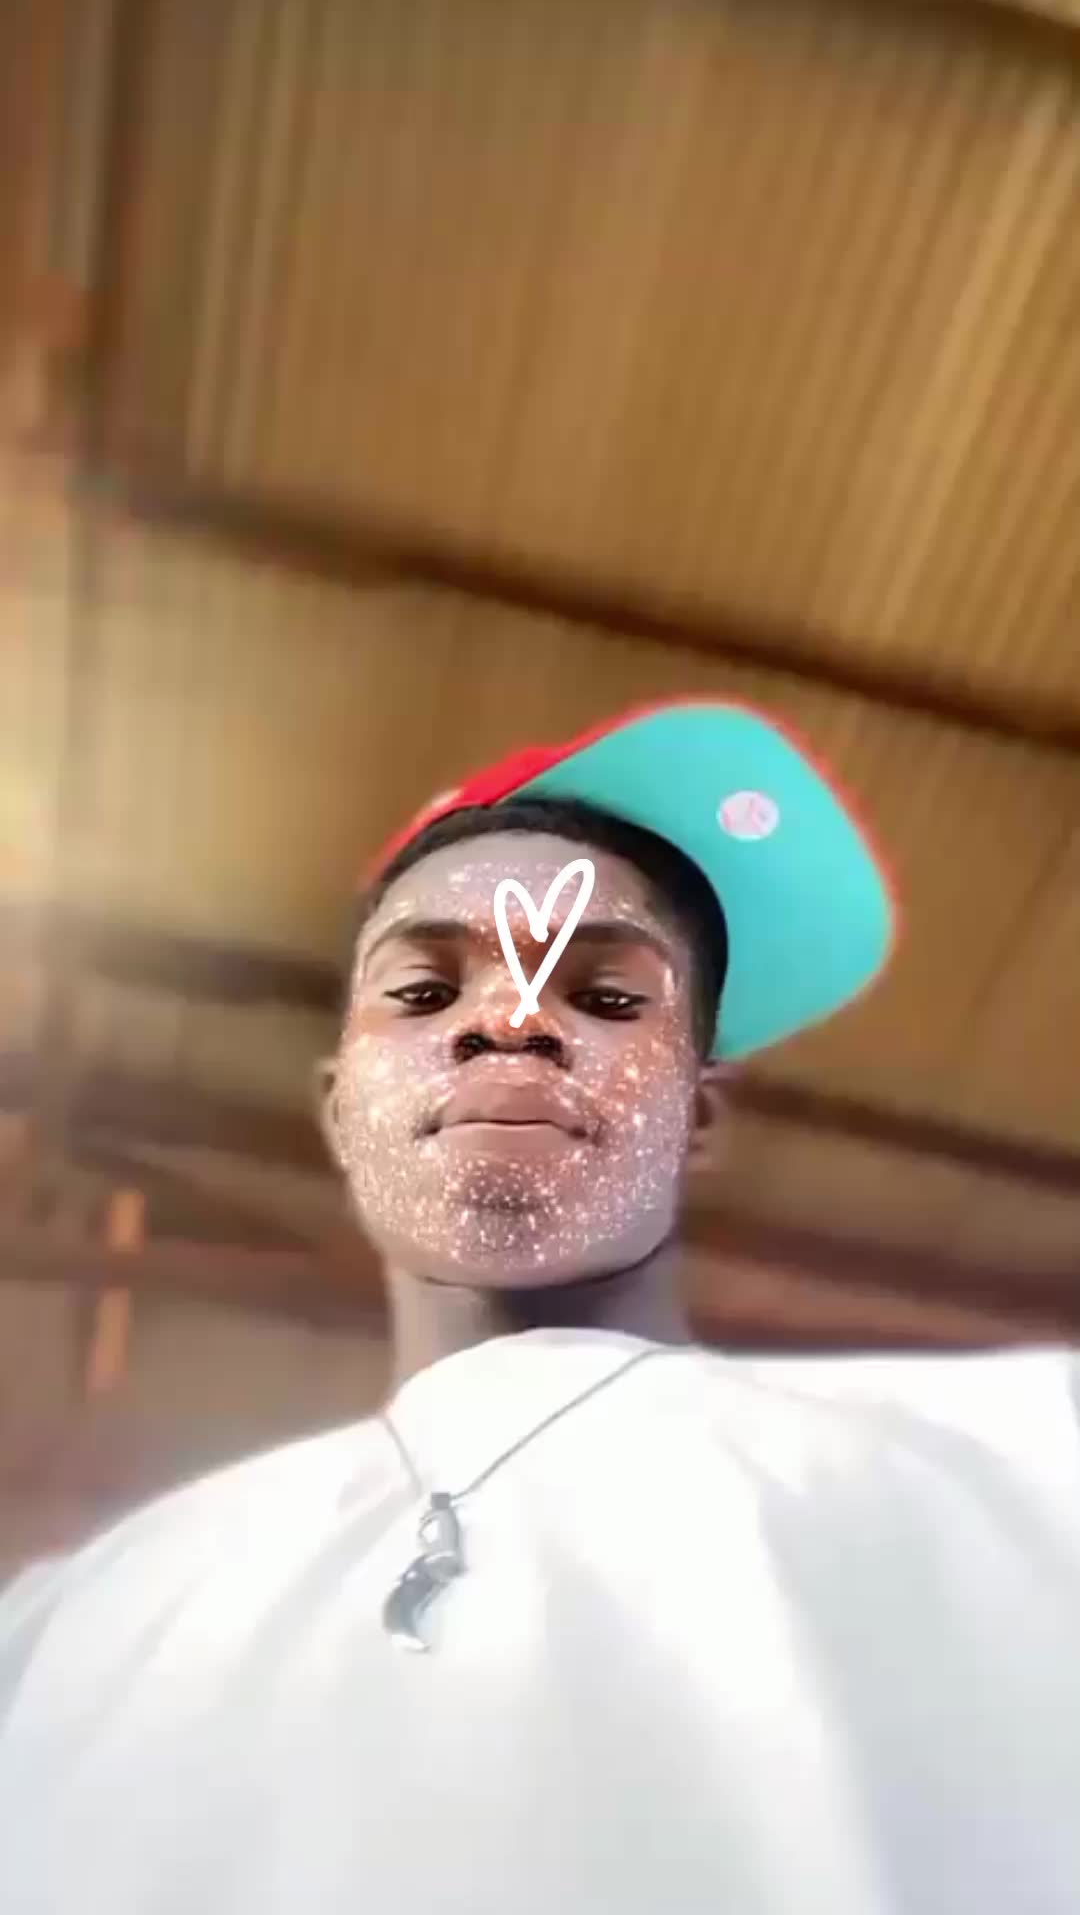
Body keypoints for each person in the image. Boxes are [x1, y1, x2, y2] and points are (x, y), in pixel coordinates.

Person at [1, 697, 1078, 1914]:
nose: (510, 1021)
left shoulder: (1035, 1464)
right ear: (338, 1104)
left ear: (698, 1115)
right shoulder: (63, 1636)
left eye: (608, 999)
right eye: (424, 991)